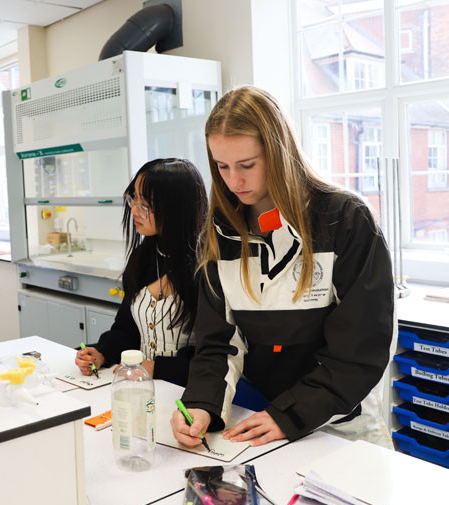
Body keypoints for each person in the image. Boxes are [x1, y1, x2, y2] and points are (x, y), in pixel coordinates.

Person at [171, 86, 394, 448]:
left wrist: (290, 414)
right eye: (221, 166)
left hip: (340, 426)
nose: (233, 181)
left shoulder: (345, 220)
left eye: (247, 165)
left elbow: (359, 351)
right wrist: (201, 406)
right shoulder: (218, 235)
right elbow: (217, 345)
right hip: (263, 417)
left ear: (279, 152)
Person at [74, 158, 207, 385]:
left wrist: (157, 367)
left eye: (145, 204)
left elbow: (215, 354)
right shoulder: (143, 257)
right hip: (143, 385)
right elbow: (127, 328)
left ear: (176, 207)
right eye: (133, 198)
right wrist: (103, 352)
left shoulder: (206, 266)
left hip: (191, 393)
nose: (134, 210)